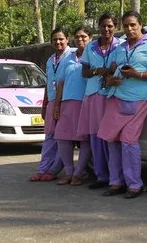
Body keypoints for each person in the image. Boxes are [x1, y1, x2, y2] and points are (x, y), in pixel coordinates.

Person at [97, 10, 147, 199]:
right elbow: (110, 71)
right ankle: (115, 182)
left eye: (133, 25)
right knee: (111, 140)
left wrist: (138, 75)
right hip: (116, 97)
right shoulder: (119, 48)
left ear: (140, 25)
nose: (129, 29)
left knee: (129, 141)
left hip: (139, 98)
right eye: (126, 25)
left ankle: (134, 185)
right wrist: (110, 79)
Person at [79, 13, 122, 190]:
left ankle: (115, 177)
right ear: (98, 27)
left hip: (113, 93)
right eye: (103, 26)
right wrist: (98, 70)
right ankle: (101, 175)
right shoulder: (90, 47)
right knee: (96, 137)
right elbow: (85, 72)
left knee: (110, 137)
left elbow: (143, 39)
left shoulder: (121, 45)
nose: (106, 29)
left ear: (116, 27)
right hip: (95, 94)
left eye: (110, 26)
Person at [29, 27, 71, 182]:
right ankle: (44, 169)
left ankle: (53, 170)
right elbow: (48, 84)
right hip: (52, 101)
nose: (58, 42)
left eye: (61, 39)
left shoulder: (73, 57)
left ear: (67, 39)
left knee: (63, 138)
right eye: (55, 39)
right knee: (49, 137)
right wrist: (45, 105)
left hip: (67, 101)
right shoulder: (50, 60)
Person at [53, 27, 92, 186]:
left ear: (90, 38)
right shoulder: (68, 57)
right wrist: (57, 105)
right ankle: (69, 172)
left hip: (86, 102)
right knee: (62, 138)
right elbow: (60, 82)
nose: (80, 39)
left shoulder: (95, 55)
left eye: (84, 36)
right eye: (77, 36)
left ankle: (78, 174)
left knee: (85, 140)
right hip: (67, 103)